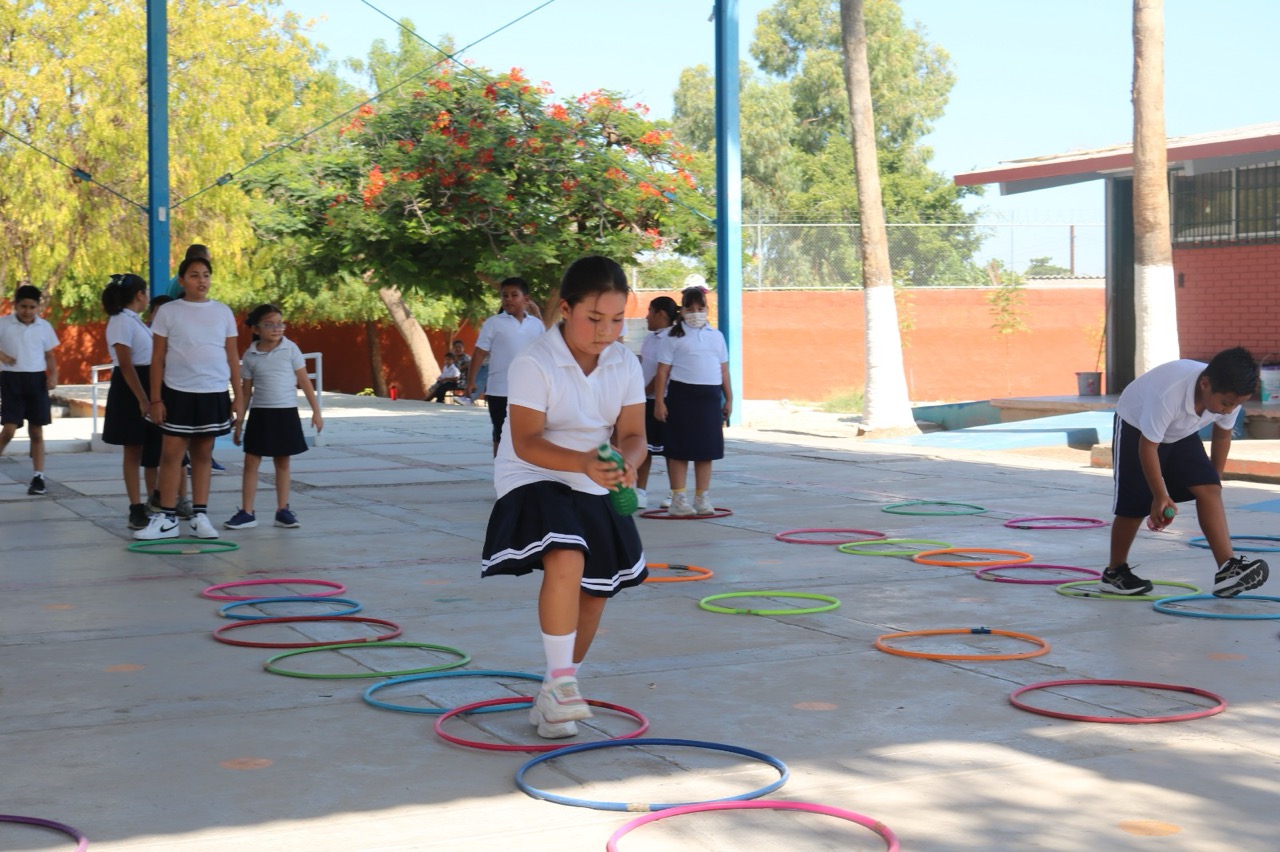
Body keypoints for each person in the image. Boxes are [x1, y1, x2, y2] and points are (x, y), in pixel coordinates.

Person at [480, 256, 647, 739]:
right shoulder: (535, 361)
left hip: (592, 473)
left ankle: (558, 687)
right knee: (568, 553)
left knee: (597, 592)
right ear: (566, 309)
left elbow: (634, 432)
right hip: (532, 472)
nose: (606, 331)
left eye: (617, 320)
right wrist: (582, 463)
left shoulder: (624, 363)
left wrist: (628, 460)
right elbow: (526, 440)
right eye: (594, 319)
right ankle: (559, 682)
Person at [1103, 346, 1269, 597]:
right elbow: (1148, 447)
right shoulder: (1169, 394)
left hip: (1180, 432)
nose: (1228, 409)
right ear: (1205, 384)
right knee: (1134, 505)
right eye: (1225, 403)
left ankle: (1228, 570)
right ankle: (1114, 573)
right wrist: (1159, 495)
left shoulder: (1228, 396)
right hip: (1136, 427)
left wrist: (1214, 478)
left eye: (1235, 405)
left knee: (1210, 489)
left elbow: (1223, 436)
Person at [133, 256, 239, 541]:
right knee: (171, 455)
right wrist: (156, 399)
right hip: (177, 393)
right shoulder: (169, 312)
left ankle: (200, 516)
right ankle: (167, 519)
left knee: (203, 455)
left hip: (213, 392)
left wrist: (238, 396)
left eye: (205, 275)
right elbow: (157, 358)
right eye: (194, 275)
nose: (201, 281)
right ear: (181, 280)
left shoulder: (223, 312)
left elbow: (231, 356)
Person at [224, 304, 323, 530]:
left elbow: (305, 381)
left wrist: (316, 411)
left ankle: (283, 510)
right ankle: (247, 512)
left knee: (283, 461)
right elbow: (246, 391)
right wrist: (239, 423)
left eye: (280, 324)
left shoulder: (291, 349)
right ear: (257, 329)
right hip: (260, 413)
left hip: (286, 413)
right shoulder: (251, 354)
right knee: (251, 461)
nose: (277, 329)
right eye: (270, 324)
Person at [653, 286, 732, 517]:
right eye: (690, 308)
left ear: (707, 309)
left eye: (701, 308)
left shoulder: (716, 336)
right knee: (679, 449)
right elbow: (662, 372)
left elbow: (724, 370)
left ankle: (702, 497)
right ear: (683, 310)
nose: (696, 313)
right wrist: (659, 401)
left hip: (709, 398)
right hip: (681, 397)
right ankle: (678, 498)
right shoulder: (673, 336)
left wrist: (729, 399)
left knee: (705, 449)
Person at [100, 274, 161, 528]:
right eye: (145, 292)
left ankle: (157, 500)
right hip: (131, 389)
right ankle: (136, 507)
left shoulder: (135, 321)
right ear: (140, 295)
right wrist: (143, 399)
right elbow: (126, 364)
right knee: (133, 449)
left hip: (146, 383)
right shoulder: (120, 321)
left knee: (153, 448)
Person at [466, 277, 544, 454]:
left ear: (526, 299)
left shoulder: (536, 324)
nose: (508, 299)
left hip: (530, 391)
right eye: (504, 295)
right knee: (501, 433)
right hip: (499, 390)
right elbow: (479, 352)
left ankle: (525, 473)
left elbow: (545, 352)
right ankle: (501, 473)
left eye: (514, 295)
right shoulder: (493, 323)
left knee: (530, 434)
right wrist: (471, 381)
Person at [0, 285, 60, 495]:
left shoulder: (44, 327)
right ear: (15, 305)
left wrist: (53, 376)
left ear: (38, 307)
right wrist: (3, 356)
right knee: (8, 429)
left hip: (36, 380)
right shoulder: (4, 324)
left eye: (31, 307)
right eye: (23, 306)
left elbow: (50, 355)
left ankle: (38, 477)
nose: (27, 311)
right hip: (11, 380)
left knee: (36, 430)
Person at [143, 295, 193, 520]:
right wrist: (154, 401)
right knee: (153, 455)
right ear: (151, 314)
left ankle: (182, 499)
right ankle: (154, 500)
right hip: (156, 402)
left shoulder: (181, 339)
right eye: (157, 311)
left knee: (179, 455)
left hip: (176, 400)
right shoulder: (148, 338)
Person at [635, 295, 678, 510]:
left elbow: (662, 372)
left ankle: (675, 492)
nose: (646, 316)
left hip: (664, 400)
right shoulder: (650, 338)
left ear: (661, 314)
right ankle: (640, 491)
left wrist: (645, 394)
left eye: (650, 311)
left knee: (670, 449)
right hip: (645, 399)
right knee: (645, 448)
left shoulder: (671, 338)